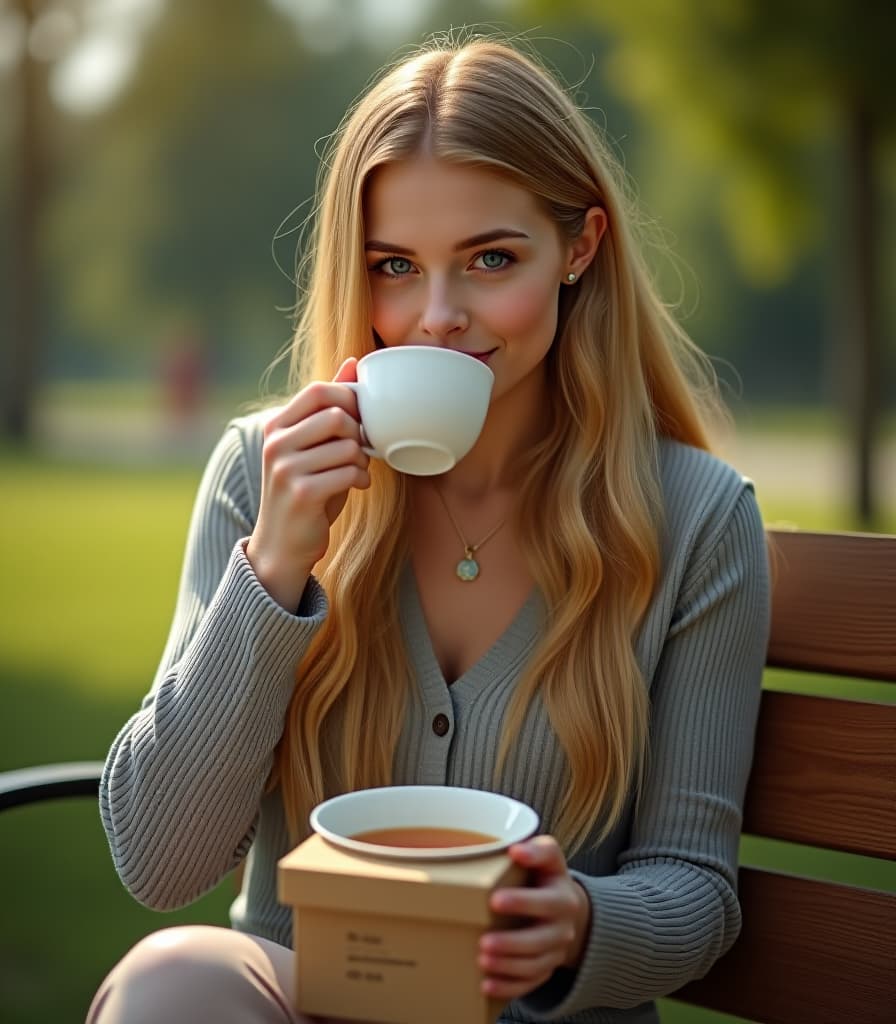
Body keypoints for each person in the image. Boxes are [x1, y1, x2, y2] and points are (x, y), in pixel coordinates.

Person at [87, 33, 770, 1024]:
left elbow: (694, 887)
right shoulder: (261, 475)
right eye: (394, 266)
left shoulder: (696, 519)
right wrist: (274, 566)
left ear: (579, 247)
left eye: (490, 259)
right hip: (297, 997)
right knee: (172, 983)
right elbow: (160, 861)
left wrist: (577, 919)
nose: (435, 316)